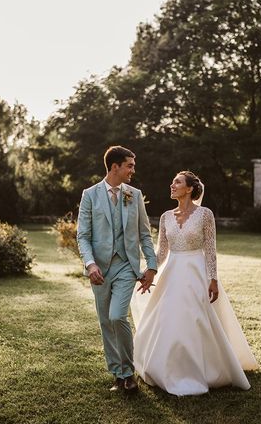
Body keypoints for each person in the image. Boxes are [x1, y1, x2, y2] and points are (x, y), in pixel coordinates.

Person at [132, 171, 259, 396]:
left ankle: (204, 370)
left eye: (177, 182)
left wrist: (213, 279)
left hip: (195, 273)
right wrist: (148, 271)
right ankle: (167, 368)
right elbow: (161, 252)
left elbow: (210, 250)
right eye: (172, 181)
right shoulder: (165, 217)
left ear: (189, 188)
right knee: (169, 319)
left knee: (195, 319)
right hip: (171, 273)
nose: (172, 185)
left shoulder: (205, 214)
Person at [76, 145, 157, 393]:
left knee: (117, 316)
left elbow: (145, 234)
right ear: (115, 167)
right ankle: (119, 374)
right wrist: (90, 264)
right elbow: (83, 236)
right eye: (130, 165)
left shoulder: (134, 194)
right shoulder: (90, 194)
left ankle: (128, 372)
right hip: (99, 269)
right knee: (105, 321)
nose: (133, 170)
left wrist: (151, 266)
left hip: (126, 267)